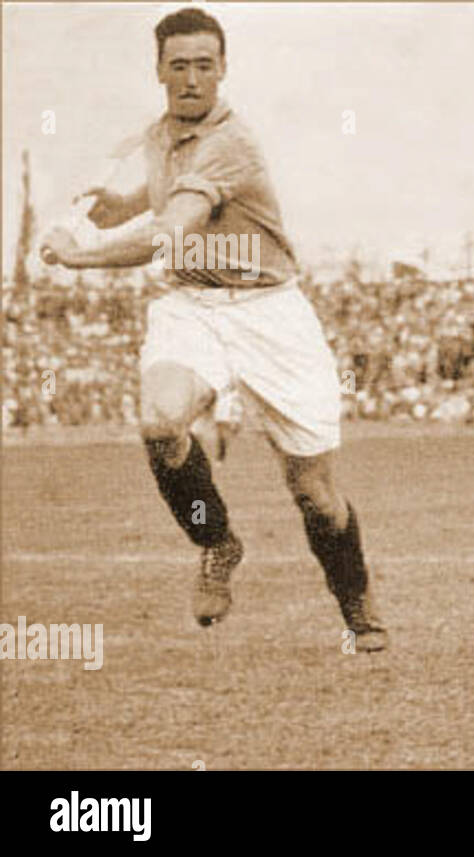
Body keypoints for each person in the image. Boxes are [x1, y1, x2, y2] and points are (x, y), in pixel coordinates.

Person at [38, 7, 387, 651]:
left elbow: (172, 232)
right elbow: (160, 194)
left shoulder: (235, 143)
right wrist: (106, 209)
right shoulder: (157, 134)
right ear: (159, 71)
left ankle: (355, 600)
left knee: (314, 493)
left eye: (205, 65)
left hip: (270, 313)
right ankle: (217, 541)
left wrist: (80, 254)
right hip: (191, 307)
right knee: (161, 422)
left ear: (224, 68)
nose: (192, 78)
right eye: (179, 66)